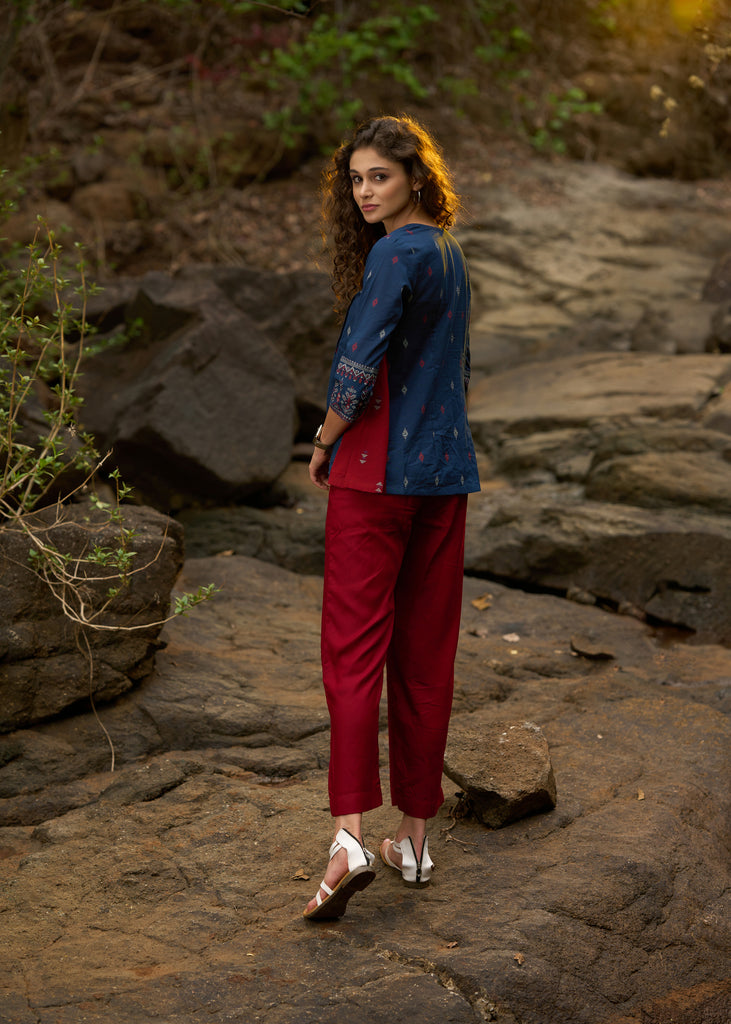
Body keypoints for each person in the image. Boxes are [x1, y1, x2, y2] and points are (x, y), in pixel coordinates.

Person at [303, 114, 480, 921]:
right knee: (423, 652)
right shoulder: (447, 253)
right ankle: (411, 838)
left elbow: (357, 363)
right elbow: (456, 371)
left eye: (378, 176)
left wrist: (325, 437)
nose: (365, 191)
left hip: (376, 481)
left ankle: (347, 837)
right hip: (443, 478)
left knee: (351, 651)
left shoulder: (395, 252)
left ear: (413, 175)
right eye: (356, 179)